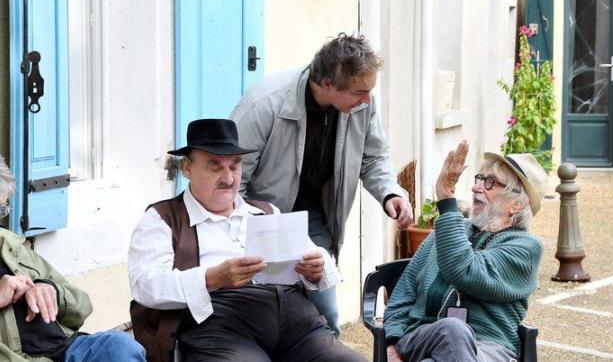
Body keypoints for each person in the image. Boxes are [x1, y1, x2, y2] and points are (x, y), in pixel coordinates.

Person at [128, 119, 366, 362]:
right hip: (223, 328)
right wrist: (212, 278)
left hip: (298, 326)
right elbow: (145, 285)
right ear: (187, 168)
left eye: (235, 166)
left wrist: (316, 268)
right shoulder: (162, 218)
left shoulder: (266, 211)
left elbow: (317, 258)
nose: (229, 178)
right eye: (215, 166)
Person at [230, 32, 413, 333]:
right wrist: (253, 225)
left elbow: (374, 157)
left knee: (325, 308)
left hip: (316, 218)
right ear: (328, 84)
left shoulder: (362, 104)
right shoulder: (265, 104)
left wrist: (390, 193)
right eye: (359, 92)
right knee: (264, 309)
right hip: (262, 220)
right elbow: (234, 179)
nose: (367, 100)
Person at [383, 141, 547, 362]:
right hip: (422, 338)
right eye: (479, 178)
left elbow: (464, 269)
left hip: (488, 349)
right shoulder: (446, 231)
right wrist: (392, 343)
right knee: (453, 329)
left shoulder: (526, 248)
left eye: (490, 182)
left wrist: (446, 199)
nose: (476, 187)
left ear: (516, 203)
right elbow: (403, 294)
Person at [0, 155, 146, 362]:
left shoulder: (10, 245)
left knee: (119, 346)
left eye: (1, 209)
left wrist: (50, 290)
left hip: (67, 348)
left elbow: (82, 305)